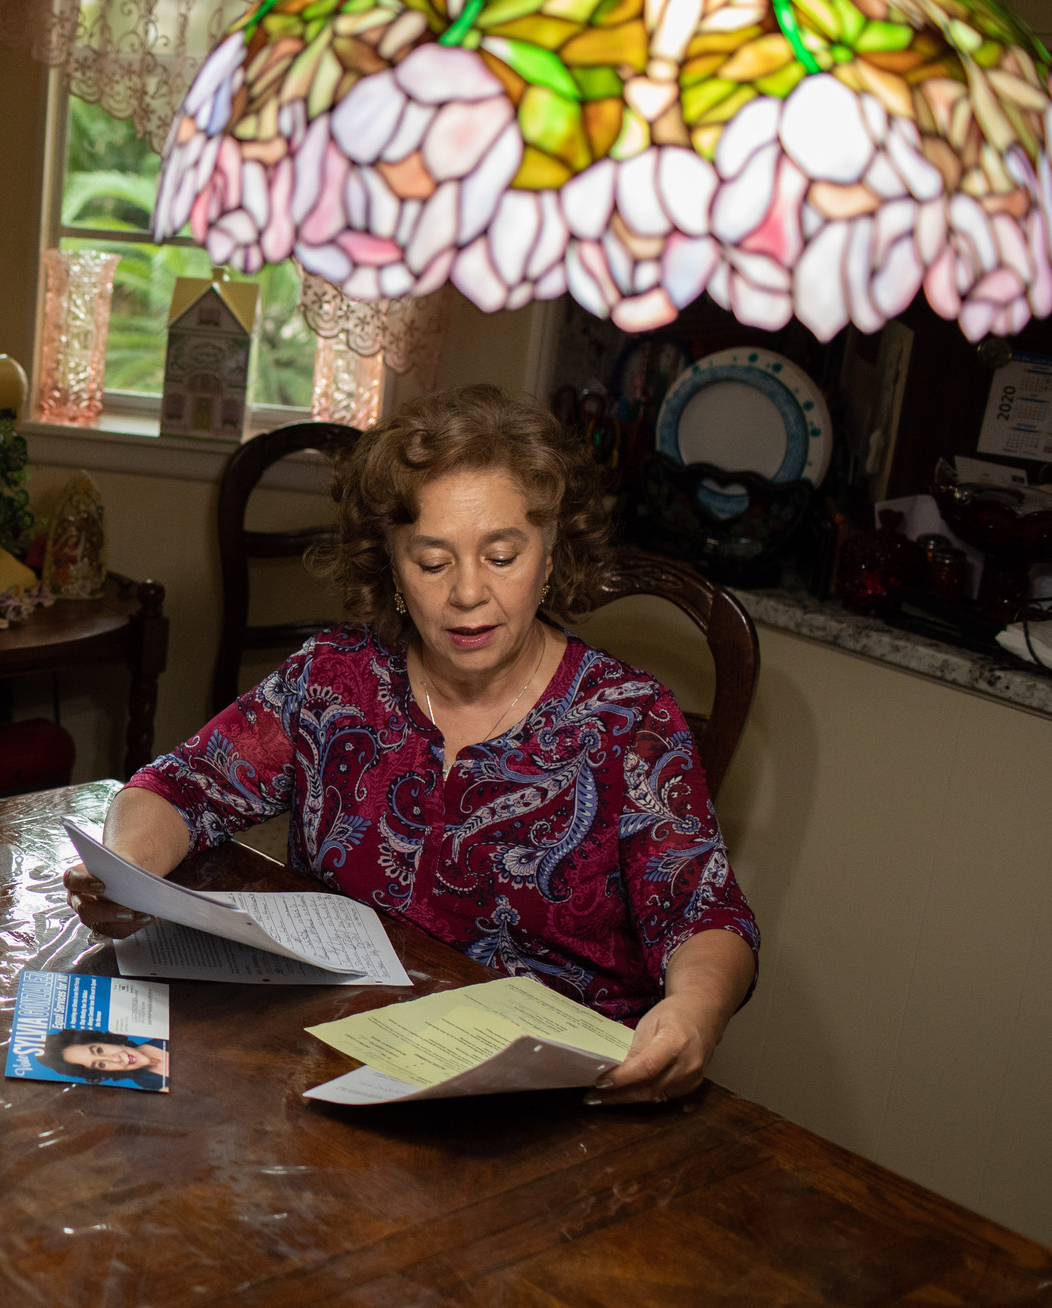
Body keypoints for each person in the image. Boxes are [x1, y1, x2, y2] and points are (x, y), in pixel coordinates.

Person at [67, 386, 759, 1106]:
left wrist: (693, 1013)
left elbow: (707, 918)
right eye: (432, 562)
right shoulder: (334, 680)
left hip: (550, 1103)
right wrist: (126, 875)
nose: (467, 592)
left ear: (549, 557)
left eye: (501, 555)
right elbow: (176, 786)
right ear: (392, 568)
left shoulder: (630, 718)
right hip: (339, 1068)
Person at [39, 1028, 169, 1089]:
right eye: (101, 1065)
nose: (117, 1060)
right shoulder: (151, 1085)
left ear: (107, 1041)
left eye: (99, 1050)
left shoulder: (166, 1033)